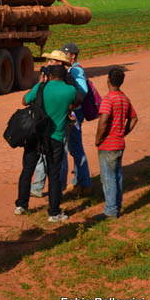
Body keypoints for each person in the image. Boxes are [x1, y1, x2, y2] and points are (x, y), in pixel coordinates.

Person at [15, 65, 81, 223]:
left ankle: (21, 205)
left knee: (27, 170)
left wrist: (39, 85)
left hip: (35, 136)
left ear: (50, 75)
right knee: (54, 175)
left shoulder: (41, 87)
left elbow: (24, 101)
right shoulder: (70, 90)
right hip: (55, 138)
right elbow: (78, 101)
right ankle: (54, 213)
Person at [95, 68, 138, 219]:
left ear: (108, 80)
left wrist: (98, 138)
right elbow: (134, 118)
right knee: (117, 175)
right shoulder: (124, 98)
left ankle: (111, 210)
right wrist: (123, 132)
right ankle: (116, 206)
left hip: (108, 145)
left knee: (108, 178)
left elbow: (104, 120)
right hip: (119, 143)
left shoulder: (108, 99)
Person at [30, 51, 71, 197]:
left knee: (58, 157)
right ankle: (40, 186)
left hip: (57, 126)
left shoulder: (65, 81)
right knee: (46, 155)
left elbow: (27, 99)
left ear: (59, 63)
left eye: (52, 61)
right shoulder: (52, 80)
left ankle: (57, 186)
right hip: (51, 125)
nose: (48, 63)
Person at [60, 42, 92, 197]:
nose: (63, 56)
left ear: (72, 55)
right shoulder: (73, 70)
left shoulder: (76, 71)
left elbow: (83, 91)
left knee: (76, 148)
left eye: (65, 53)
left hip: (75, 114)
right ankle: (79, 181)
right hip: (75, 113)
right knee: (74, 148)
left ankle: (85, 183)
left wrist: (72, 107)